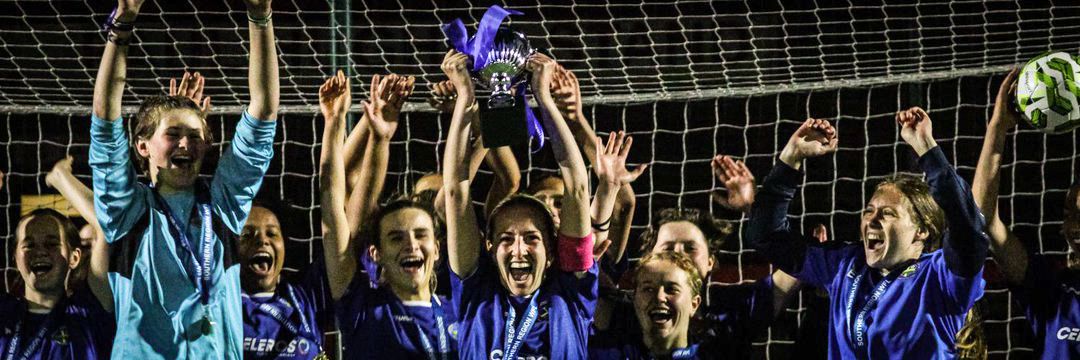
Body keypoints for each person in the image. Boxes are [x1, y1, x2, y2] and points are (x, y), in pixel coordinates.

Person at [88, 0, 279, 356]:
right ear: (142, 146)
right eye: (173, 134)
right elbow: (104, 122)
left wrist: (260, 17)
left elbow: (264, 114)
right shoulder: (126, 211)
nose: (185, 144)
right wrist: (122, 25)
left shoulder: (222, 207)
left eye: (194, 136)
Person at [747, 111, 988, 358]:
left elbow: (969, 227)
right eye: (869, 211)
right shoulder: (844, 265)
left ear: (921, 230)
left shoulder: (940, 278)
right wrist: (792, 156)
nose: (872, 220)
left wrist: (926, 148)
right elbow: (766, 235)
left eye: (888, 213)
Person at [443, 49, 597, 359]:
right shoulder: (475, 293)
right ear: (489, 247)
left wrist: (544, 98)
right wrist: (465, 100)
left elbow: (578, 187)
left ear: (551, 250)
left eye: (531, 238)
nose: (518, 250)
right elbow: (456, 192)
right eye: (505, 238)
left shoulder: (571, 292)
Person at [319, 71, 458, 359]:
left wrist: (467, 106)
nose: (411, 244)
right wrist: (338, 125)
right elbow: (333, 210)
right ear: (376, 253)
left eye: (421, 235)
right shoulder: (363, 307)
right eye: (396, 238)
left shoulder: (461, 310)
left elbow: (483, 180)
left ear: (437, 248)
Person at [972, 67, 1080, 358]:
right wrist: (998, 126)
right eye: (1069, 214)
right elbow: (983, 217)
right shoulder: (1053, 287)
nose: (1074, 226)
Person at [0, 209, 115, 359]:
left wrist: (64, 190)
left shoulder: (89, 313)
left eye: (51, 244)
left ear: (74, 257)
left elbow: (105, 225)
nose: (40, 252)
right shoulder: (4, 312)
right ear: (15, 258)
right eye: (29, 245)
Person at [239, 204, 331, 360]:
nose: (262, 240)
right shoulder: (221, 303)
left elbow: (344, 235)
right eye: (247, 235)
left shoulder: (306, 294)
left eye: (271, 233)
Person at [591, 251, 718, 359]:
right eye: (648, 289)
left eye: (671, 289)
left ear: (694, 304)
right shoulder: (600, 354)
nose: (659, 297)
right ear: (635, 299)